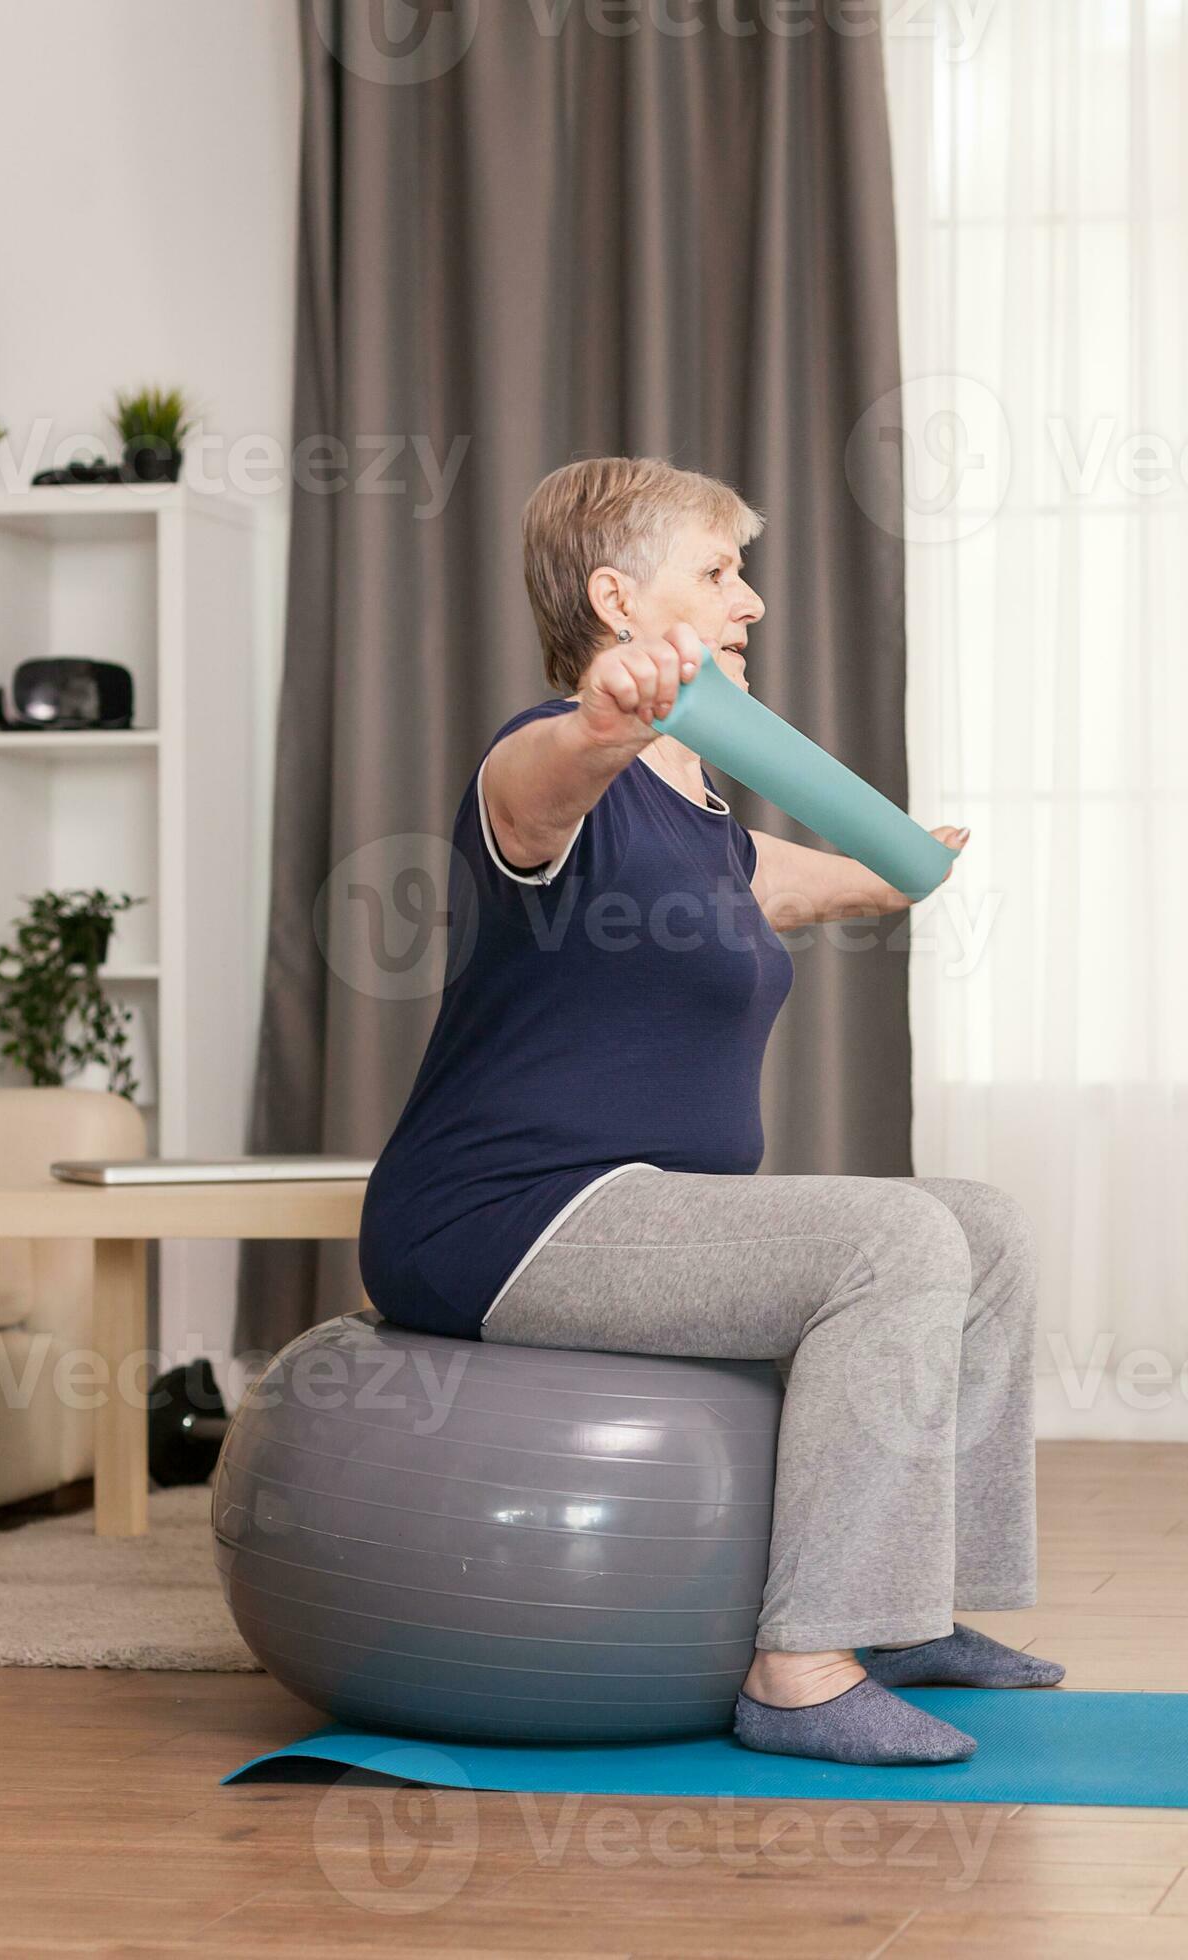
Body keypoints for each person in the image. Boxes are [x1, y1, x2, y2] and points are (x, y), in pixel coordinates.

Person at [359, 456, 1052, 1768]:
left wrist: (898, 869)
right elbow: (542, 778)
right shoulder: (541, 770)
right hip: (503, 1218)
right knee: (892, 1246)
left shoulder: (706, 828)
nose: (755, 602)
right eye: (721, 572)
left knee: (984, 1227)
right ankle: (801, 1669)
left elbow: (811, 887)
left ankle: (902, 1616)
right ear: (619, 601)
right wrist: (605, 718)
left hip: (648, 1209)